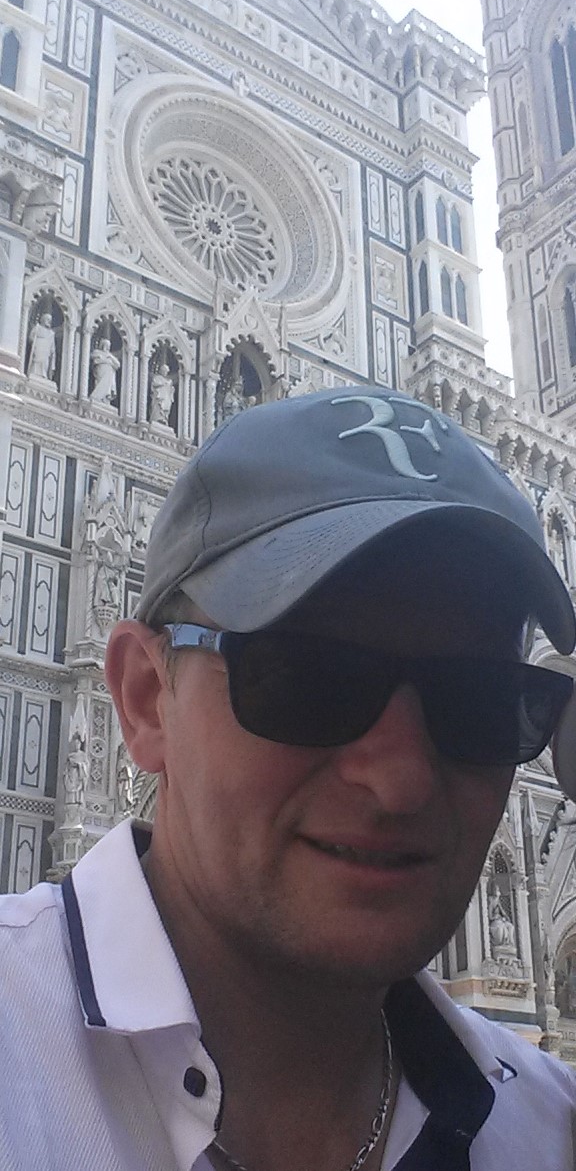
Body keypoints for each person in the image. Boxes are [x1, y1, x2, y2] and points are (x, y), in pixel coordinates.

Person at [1, 385, 576, 1170]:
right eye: (309, 677)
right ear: (144, 699)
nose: (401, 781)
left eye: (480, 698)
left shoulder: (550, 1133)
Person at [27, 310, 56, 380]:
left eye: (50, 320)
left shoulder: (51, 333)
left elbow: (52, 346)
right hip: (38, 348)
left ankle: (43, 374)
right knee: (36, 361)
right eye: (47, 319)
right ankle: (33, 372)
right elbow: (31, 337)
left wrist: (52, 351)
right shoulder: (37, 328)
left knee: (44, 363)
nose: (49, 321)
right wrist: (34, 341)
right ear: (43, 319)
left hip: (46, 351)